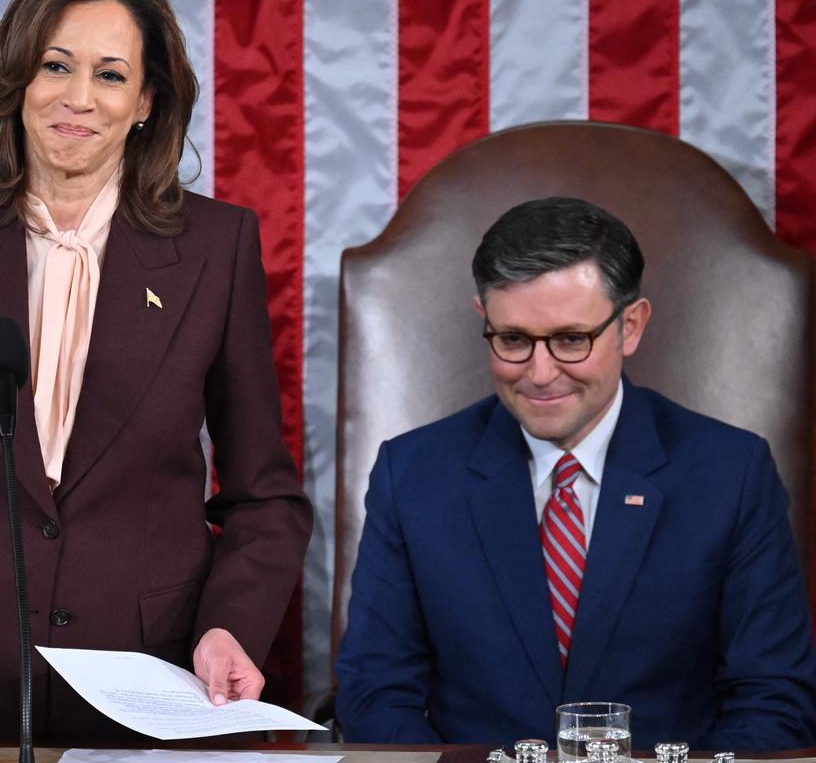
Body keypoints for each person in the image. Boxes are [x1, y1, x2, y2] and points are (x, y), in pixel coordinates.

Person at [0, 0, 311, 744]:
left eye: (110, 75)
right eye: (56, 66)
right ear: (20, 79)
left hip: (159, 690)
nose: (79, 98)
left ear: (145, 101)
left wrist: (230, 628)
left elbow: (263, 497)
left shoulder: (218, 247)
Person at [335, 197, 816, 750]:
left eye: (570, 339)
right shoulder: (414, 473)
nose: (540, 375)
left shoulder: (730, 473)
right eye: (513, 340)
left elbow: (773, 699)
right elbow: (375, 694)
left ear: (629, 326)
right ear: (483, 321)